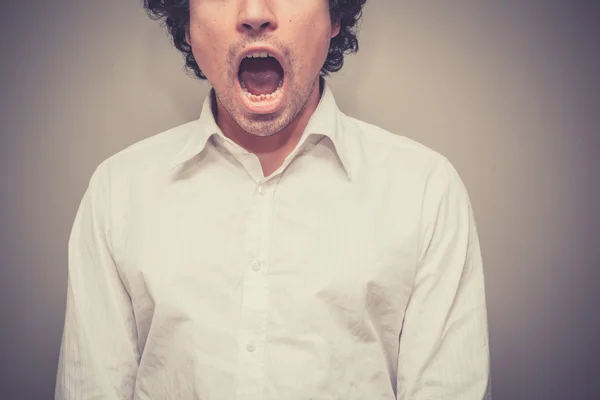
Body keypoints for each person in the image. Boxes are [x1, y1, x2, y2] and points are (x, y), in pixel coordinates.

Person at [55, 0, 491, 399]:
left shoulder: (425, 191)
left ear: (334, 17)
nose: (255, 11)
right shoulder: (117, 192)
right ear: (186, 23)